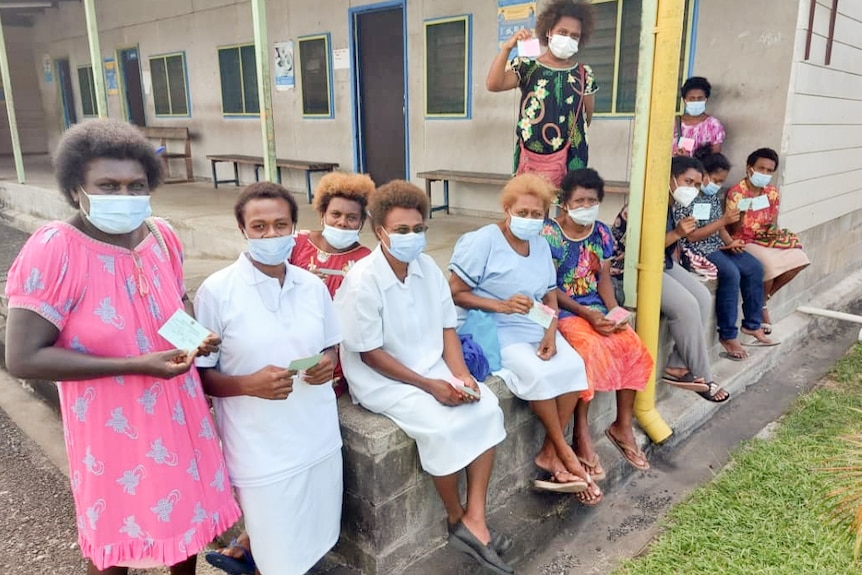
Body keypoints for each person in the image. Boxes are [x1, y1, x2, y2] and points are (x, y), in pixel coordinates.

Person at [3, 119, 241, 574]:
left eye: (136, 186)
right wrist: (136, 364)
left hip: (177, 413)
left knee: (182, 525)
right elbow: (23, 356)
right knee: (116, 537)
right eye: (108, 186)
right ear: (76, 189)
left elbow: (171, 307)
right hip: (111, 429)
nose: (125, 197)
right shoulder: (57, 248)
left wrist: (195, 338)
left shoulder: (161, 236)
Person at [335, 181, 514, 575]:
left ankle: (475, 518)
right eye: (401, 230)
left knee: (485, 406)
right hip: (384, 379)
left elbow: (448, 327)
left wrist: (460, 375)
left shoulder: (428, 267)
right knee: (440, 427)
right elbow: (370, 352)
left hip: (432, 366)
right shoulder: (363, 280)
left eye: (418, 228)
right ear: (380, 231)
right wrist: (431, 386)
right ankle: (455, 517)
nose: (411, 237)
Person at [194, 182, 343, 575]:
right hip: (260, 446)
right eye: (259, 227)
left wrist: (326, 364)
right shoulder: (217, 291)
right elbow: (201, 378)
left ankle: (247, 558)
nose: (271, 235)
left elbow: (331, 346)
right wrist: (247, 385)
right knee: (278, 546)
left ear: (295, 227)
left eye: (280, 225)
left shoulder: (312, 286)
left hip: (317, 435)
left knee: (311, 535)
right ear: (243, 231)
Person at [449, 174, 602, 506]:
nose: (530, 220)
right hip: (492, 325)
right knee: (538, 372)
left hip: (533, 323)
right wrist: (499, 305)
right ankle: (563, 450)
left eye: (537, 214)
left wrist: (551, 331)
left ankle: (549, 453)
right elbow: (455, 292)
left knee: (574, 367)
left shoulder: (541, 245)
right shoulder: (484, 241)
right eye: (524, 212)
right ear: (507, 209)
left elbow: (550, 295)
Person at [542, 169, 654, 477]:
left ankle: (622, 426)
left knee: (632, 345)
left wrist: (614, 312)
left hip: (593, 307)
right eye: (579, 200)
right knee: (589, 352)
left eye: (592, 200)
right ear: (564, 203)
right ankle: (581, 434)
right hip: (563, 310)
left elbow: (602, 279)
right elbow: (549, 288)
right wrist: (585, 313)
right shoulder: (548, 234)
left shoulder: (602, 232)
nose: (586, 205)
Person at [610, 156, 730, 403]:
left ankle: (676, 367)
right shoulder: (642, 206)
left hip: (661, 264)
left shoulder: (671, 203)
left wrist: (679, 236)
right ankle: (703, 376)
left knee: (703, 297)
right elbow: (639, 253)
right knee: (686, 306)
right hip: (631, 269)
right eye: (688, 181)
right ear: (671, 179)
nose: (692, 189)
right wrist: (676, 233)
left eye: (697, 185)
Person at [674, 148, 774, 361]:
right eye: (716, 180)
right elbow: (691, 237)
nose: (717, 186)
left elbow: (720, 228)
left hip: (718, 244)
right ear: (704, 175)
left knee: (754, 267)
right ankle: (728, 335)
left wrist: (731, 242)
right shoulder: (687, 199)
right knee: (731, 273)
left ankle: (751, 325)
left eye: (721, 182)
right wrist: (723, 223)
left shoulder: (711, 198)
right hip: (699, 248)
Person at [487, 0, 598, 186]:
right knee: (532, 207)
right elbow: (494, 84)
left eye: (574, 36)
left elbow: (587, 116)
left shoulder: (584, 73)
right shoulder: (527, 66)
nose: (568, 38)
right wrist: (507, 48)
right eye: (562, 32)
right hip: (532, 155)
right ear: (548, 31)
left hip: (572, 155)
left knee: (569, 208)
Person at [726, 148, 810, 334]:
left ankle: (763, 300)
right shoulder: (737, 193)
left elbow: (772, 220)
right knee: (769, 267)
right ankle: (761, 309)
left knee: (800, 259)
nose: (764, 174)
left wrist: (773, 233)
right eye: (760, 168)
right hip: (744, 240)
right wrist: (742, 215)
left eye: (769, 171)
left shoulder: (771, 192)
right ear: (749, 168)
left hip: (765, 238)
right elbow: (733, 229)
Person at [672, 76, 726, 157]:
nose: (696, 101)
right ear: (684, 100)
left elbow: (714, 159)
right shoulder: (673, 123)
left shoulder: (713, 125)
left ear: (705, 99)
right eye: (692, 98)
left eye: (700, 98)